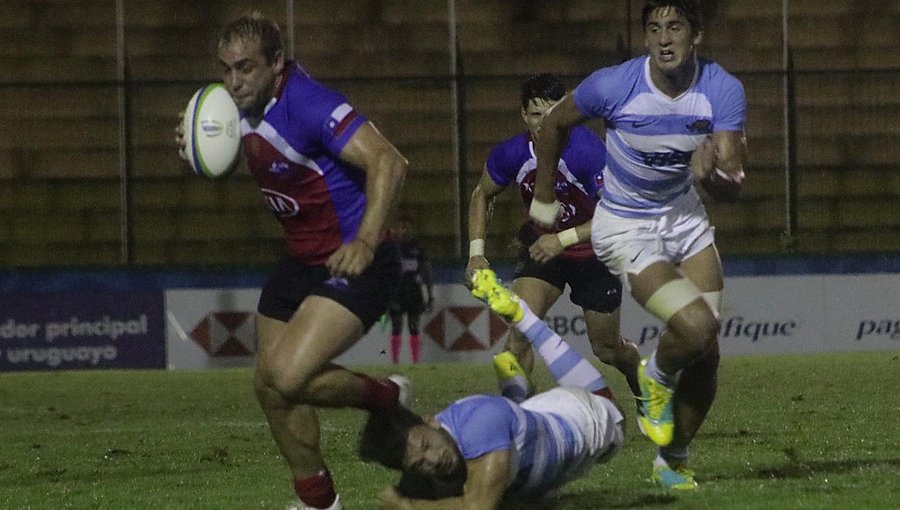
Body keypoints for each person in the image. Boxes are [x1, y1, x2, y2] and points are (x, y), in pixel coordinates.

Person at [174, 12, 410, 510]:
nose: (234, 82)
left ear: (276, 64)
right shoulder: (236, 104)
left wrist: (366, 242)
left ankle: (387, 399)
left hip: (355, 261)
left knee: (286, 374)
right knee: (271, 388)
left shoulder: (308, 103)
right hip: (299, 262)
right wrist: (200, 146)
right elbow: (237, 146)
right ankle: (319, 502)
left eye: (245, 68)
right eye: (226, 69)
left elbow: (390, 160)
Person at [528, 0, 747, 490]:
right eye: (654, 28)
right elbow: (553, 125)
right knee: (695, 327)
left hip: (686, 221)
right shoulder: (613, 85)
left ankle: (673, 459)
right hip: (625, 227)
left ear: (697, 36)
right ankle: (657, 377)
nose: (664, 38)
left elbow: (734, 185)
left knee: (707, 350)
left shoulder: (722, 90)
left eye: (675, 27)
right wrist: (543, 196)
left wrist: (711, 176)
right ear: (644, 38)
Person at [360, 269, 625, 509]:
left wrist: (408, 507)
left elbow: (478, 508)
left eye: (427, 445)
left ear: (431, 420)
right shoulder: (421, 457)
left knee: (614, 414)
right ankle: (516, 394)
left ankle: (525, 321)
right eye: (419, 464)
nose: (433, 459)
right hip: (529, 418)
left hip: (583, 419)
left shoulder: (479, 424)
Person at [466, 73, 641, 403]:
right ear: (523, 116)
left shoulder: (589, 153)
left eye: (551, 113)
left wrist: (563, 239)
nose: (543, 122)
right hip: (542, 248)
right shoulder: (512, 153)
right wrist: (476, 253)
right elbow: (481, 194)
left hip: (596, 253)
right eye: (535, 114)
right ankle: (516, 420)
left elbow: (617, 214)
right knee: (520, 328)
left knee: (607, 349)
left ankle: (638, 374)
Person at [385, 216, 434, 364]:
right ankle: (395, 360)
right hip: (396, 292)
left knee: (414, 326)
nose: (404, 231)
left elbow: (427, 271)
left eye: (407, 228)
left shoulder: (418, 248)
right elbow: (385, 273)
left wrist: (430, 295)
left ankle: (415, 361)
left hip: (413, 290)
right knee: (396, 326)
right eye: (402, 227)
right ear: (397, 229)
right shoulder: (392, 248)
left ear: (412, 230)